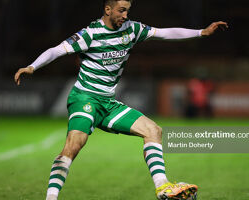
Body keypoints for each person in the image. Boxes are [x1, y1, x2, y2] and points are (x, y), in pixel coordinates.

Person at [14, 0, 228, 199]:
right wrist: (33, 66)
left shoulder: (132, 29)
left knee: (154, 130)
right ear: (108, 10)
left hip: (108, 103)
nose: (125, 15)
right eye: (121, 10)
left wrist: (201, 32)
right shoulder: (91, 33)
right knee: (75, 144)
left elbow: (164, 33)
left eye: (128, 10)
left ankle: (163, 187)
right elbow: (57, 50)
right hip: (84, 97)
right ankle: (51, 197)